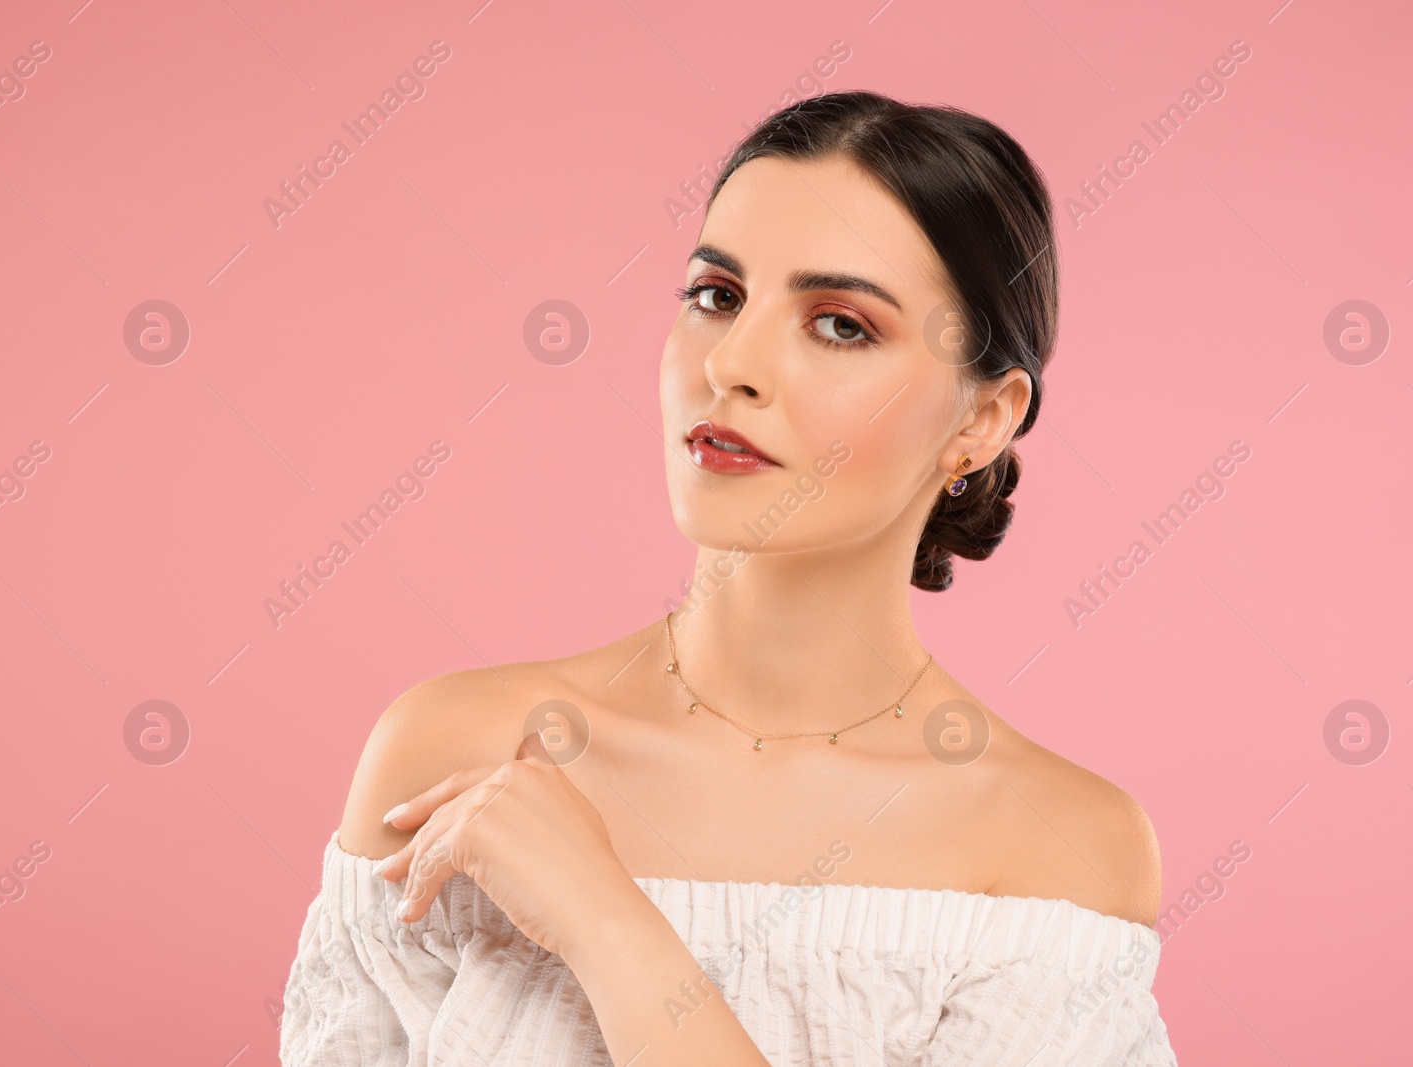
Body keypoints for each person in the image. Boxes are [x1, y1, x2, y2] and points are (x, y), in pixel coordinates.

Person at [280, 89, 1178, 1066]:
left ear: (983, 418)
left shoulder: (1056, 847)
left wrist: (608, 923)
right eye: (717, 296)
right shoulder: (458, 754)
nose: (734, 363)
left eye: (839, 324)